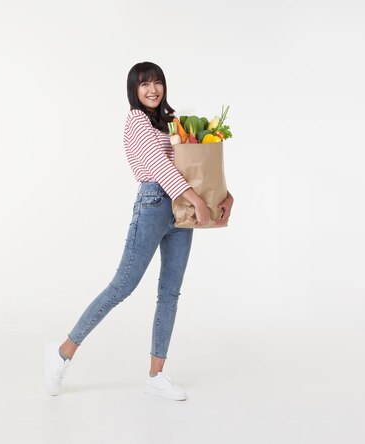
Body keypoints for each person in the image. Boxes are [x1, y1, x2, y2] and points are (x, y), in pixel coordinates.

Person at [43, 61, 234, 401]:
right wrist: (194, 198)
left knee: (170, 292)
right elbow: (160, 166)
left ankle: (156, 375)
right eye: (144, 84)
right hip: (154, 204)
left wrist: (220, 195)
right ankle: (62, 353)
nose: (152, 89)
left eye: (157, 82)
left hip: (181, 210)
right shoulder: (135, 120)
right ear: (133, 90)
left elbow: (193, 166)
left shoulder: (171, 123)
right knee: (122, 285)